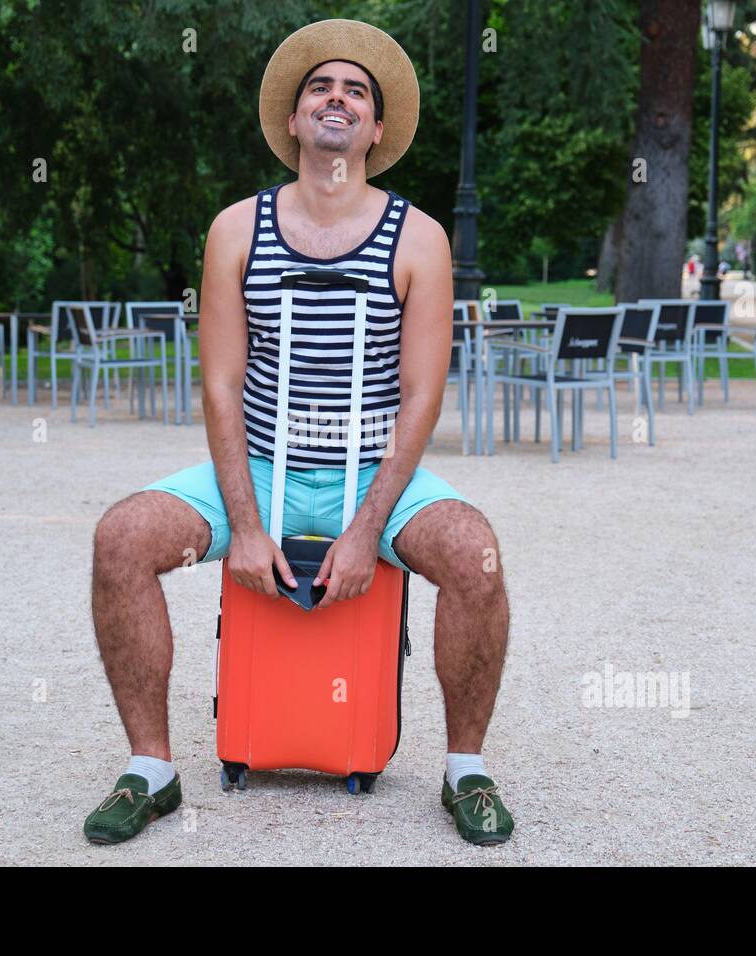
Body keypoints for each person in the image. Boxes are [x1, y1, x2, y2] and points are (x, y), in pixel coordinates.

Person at [82, 18, 515, 848]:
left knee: (475, 553)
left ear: (376, 128)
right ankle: (152, 771)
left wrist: (365, 531)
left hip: (368, 473)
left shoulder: (419, 237)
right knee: (121, 539)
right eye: (321, 86)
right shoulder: (237, 229)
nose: (337, 99)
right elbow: (221, 384)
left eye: (356, 91)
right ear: (293, 118)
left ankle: (467, 771)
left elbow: (422, 397)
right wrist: (244, 523)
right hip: (261, 463)